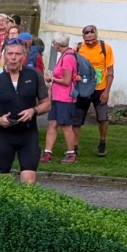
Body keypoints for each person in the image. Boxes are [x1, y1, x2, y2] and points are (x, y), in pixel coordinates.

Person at [0, 41, 49, 185]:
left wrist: (33, 110)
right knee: (2, 180)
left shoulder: (34, 75)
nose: (13, 58)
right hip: (4, 135)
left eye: (17, 54)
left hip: (28, 133)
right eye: (10, 54)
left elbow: (47, 103)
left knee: (28, 180)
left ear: (24, 56)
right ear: (4, 55)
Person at [72, 25, 114, 157]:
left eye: (93, 40)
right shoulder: (77, 48)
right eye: (87, 41)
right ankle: (74, 146)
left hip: (99, 89)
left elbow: (110, 73)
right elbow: (72, 67)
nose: (90, 43)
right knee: (77, 119)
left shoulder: (105, 48)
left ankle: (102, 143)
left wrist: (106, 92)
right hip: (83, 89)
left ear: (97, 36)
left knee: (102, 118)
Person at [43, 33, 80, 164]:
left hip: (65, 98)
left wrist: (51, 79)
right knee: (52, 123)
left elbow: (66, 81)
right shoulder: (65, 55)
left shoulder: (68, 58)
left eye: (54, 44)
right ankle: (47, 152)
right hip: (58, 97)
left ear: (58, 45)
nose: (54, 46)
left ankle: (71, 153)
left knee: (65, 125)